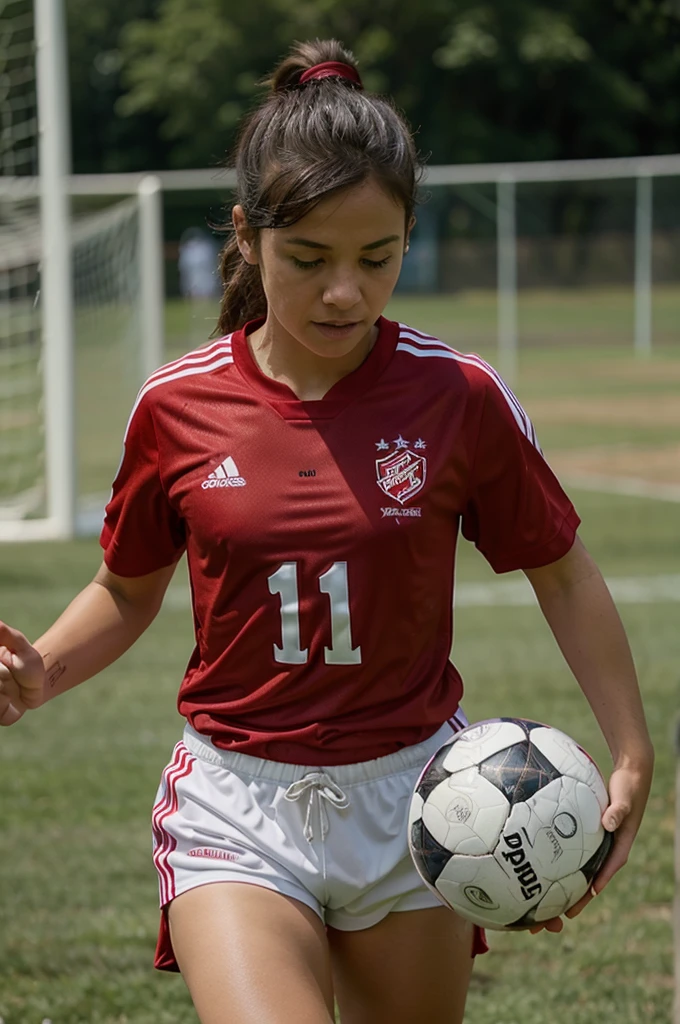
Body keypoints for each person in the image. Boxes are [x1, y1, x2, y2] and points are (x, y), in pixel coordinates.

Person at [0, 38, 654, 1024]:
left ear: (406, 238)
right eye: (308, 260)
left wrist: (631, 752)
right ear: (247, 237)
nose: (343, 290)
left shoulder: (455, 395)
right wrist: (44, 666)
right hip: (237, 805)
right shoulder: (176, 406)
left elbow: (559, 572)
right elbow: (129, 588)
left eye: (375, 258)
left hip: (421, 806)